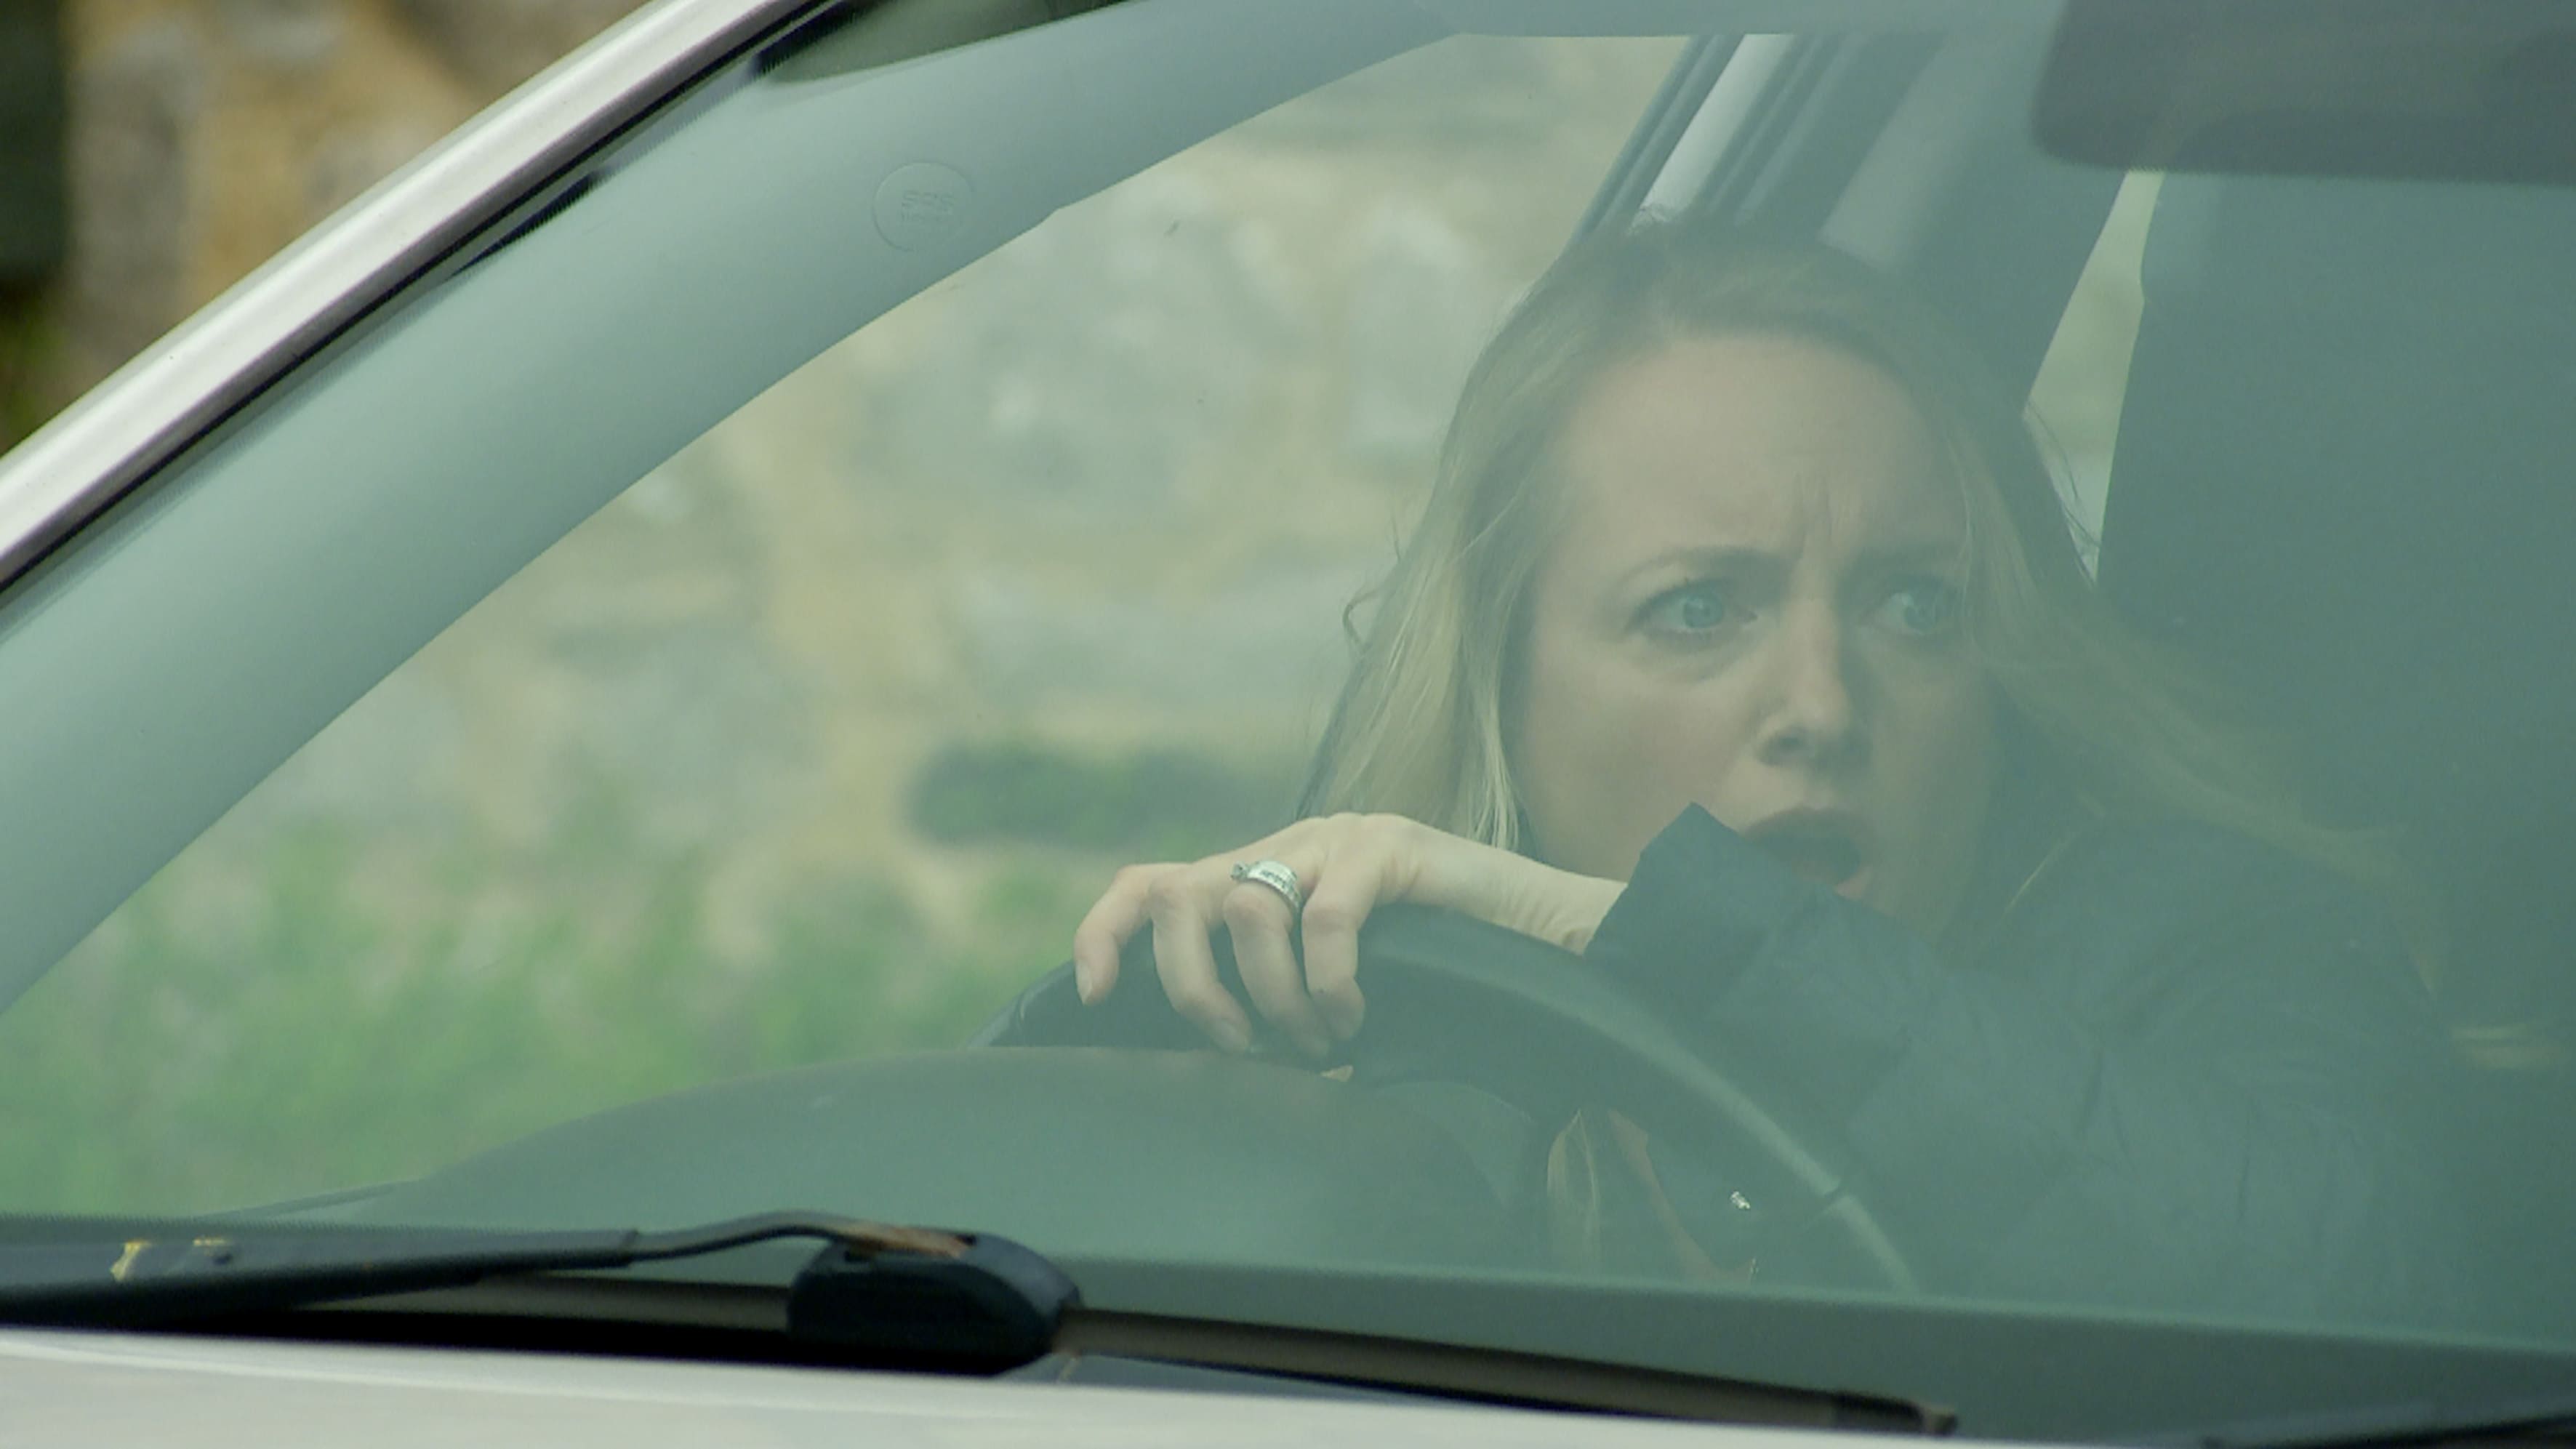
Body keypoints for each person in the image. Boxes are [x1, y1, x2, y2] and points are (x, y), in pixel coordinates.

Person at [1064, 221, 2463, 1321]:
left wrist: (1617, 932)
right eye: (1698, 609)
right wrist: (1175, 1010)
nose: (1822, 706)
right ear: (1501, 678)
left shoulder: (2226, 938)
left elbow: (2339, 1276)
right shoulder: (1391, 1034)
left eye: (1914, 604)